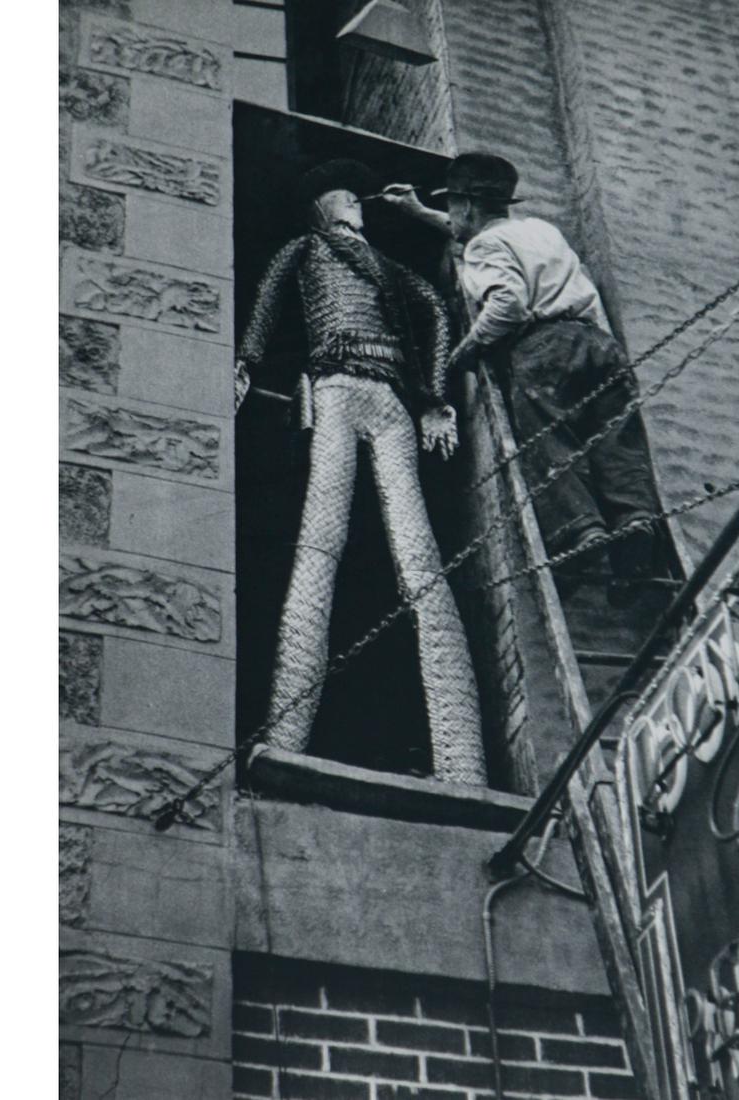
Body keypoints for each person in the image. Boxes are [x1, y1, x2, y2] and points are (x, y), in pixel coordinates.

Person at [234, 158, 487, 786]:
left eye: (357, 199)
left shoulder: (391, 272)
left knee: (420, 556)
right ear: (321, 207)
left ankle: (462, 762)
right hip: (336, 387)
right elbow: (268, 299)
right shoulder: (305, 249)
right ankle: (284, 740)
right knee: (320, 545)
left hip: (391, 400)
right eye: (346, 199)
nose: (356, 206)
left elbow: (435, 309)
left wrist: (432, 397)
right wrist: (246, 361)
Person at [381, 153, 669, 587]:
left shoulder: (482, 247)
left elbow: (508, 304)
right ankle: (636, 524)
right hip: (598, 344)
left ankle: (583, 531)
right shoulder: (540, 230)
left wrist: (467, 350)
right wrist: (419, 211)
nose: (454, 219)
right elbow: (476, 234)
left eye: (455, 207)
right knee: (616, 440)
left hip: (543, 350)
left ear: (468, 207)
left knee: (547, 440)